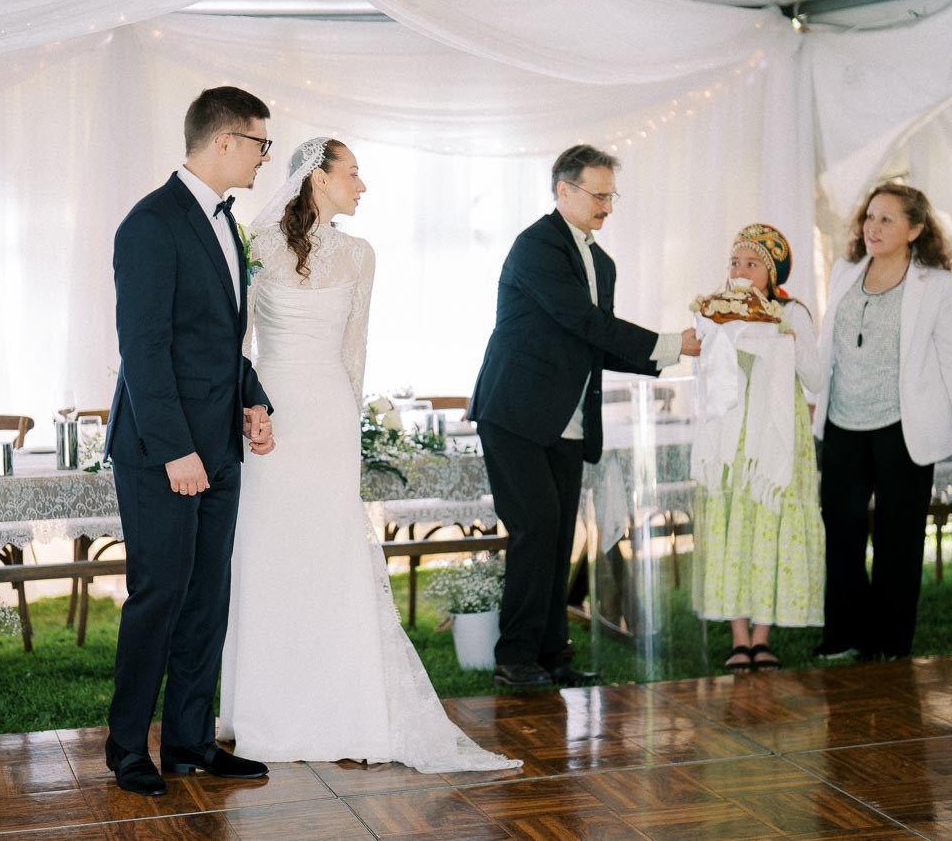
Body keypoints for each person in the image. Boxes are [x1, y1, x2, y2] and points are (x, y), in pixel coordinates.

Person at [219, 137, 520, 773]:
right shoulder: (256, 243)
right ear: (317, 179)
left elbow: (355, 350)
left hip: (327, 417)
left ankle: (343, 703)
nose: (363, 186)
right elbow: (236, 340)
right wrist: (249, 409)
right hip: (271, 413)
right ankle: (262, 712)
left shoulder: (360, 254)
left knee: (331, 547)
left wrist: (349, 424)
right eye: (352, 174)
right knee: (269, 547)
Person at [467, 144, 700, 689]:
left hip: (568, 422)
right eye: (599, 195)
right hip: (516, 414)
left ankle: (552, 656)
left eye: (611, 195)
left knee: (557, 536)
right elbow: (584, 322)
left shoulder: (602, 262)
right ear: (563, 191)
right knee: (537, 529)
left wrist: (673, 351)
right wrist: (670, 341)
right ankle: (515, 658)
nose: (608, 206)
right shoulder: (536, 247)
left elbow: (597, 343)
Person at [103, 86, 278, 796]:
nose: (266, 155)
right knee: (160, 594)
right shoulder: (151, 223)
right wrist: (178, 450)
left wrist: (252, 397)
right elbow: (144, 350)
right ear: (225, 142)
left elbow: (215, 341)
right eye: (261, 143)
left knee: (208, 596)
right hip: (161, 451)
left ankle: (189, 743)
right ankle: (125, 749)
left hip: (220, 447)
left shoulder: (223, 222)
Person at [813, 182, 952, 661]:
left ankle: (889, 643)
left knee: (899, 538)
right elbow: (828, 348)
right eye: (870, 217)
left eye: (887, 219)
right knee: (843, 533)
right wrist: (813, 401)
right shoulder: (846, 271)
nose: (873, 227)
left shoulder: (937, 284)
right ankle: (844, 635)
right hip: (844, 424)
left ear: (915, 229)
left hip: (903, 427)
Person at [691, 225, 825, 674]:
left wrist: (784, 341)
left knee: (771, 523)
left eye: (752, 264)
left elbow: (817, 377)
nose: (741, 271)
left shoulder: (791, 312)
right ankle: (738, 636)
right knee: (735, 526)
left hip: (774, 439)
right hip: (733, 438)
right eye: (735, 263)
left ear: (772, 273)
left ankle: (763, 636)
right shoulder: (717, 312)